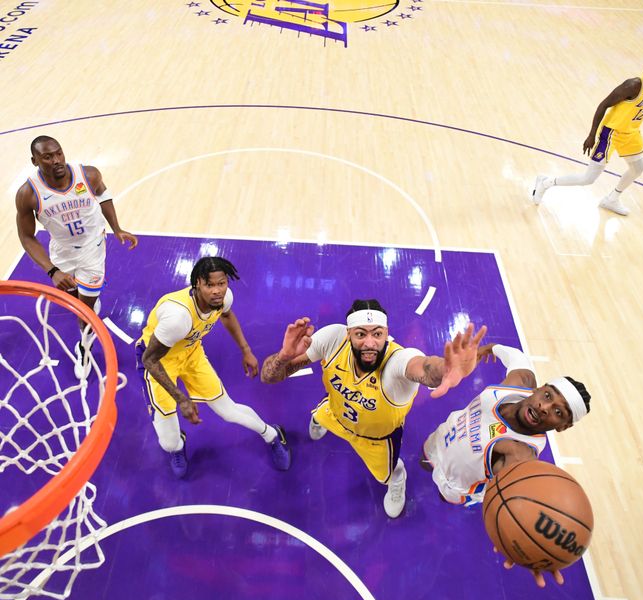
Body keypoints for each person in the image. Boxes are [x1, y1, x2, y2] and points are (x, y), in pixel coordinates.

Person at [260, 299, 487, 518]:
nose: (370, 343)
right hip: (336, 413)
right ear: (348, 334)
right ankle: (320, 420)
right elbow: (269, 377)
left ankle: (398, 481)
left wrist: (444, 368)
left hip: (375, 439)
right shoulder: (332, 338)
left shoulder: (396, 363)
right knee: (322, 411)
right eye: (360, 334)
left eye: (377, 334)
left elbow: (424, 367)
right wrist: (284, 356)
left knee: (387, 474)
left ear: (386, 334)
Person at [421, 343, 591, 587]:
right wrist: (489, 348)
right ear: (539, 388)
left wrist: (527, 544)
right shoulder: (519, 381)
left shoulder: (519, 457)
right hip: (444, 434)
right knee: (424, 457)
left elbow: (520, 505)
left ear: (563, 426)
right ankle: (427, 462)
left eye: (558, 412)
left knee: (441, 495)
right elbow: (516, 356)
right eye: (547, 396)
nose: (544, 407)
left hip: (456, 483)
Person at [136, 256, 291, 478]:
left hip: (191, 354)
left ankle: (273, 435)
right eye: (210, 285)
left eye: (222, 283)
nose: (217, 290)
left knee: (228, 410)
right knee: (168, 443)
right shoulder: (178, 317)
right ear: (198, 283)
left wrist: (245, 350)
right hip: (159, 361)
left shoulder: (223, 298)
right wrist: (182, 398)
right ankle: (178, 447)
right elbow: (149, 360)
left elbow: (226, 315)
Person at [15, 136, 138, 376]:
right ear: (35, 160)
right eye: (48, 157)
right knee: (72, 299)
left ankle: (83, 346)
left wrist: (117, 228)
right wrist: (52, 271)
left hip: (92, 249)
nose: (57, 160)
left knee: (85, 311)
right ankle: (84, 303)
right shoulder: (28, 194)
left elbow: (102, 192)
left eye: (59, 153)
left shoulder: (88, 175)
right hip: (61, 253)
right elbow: (27, 237)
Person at [532, 51, 643, 216]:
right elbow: (603, 105)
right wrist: (592, 135)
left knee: (638, 168)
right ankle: (546, 182)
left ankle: (612, 199)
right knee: (588, 179)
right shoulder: (634, 84)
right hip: (610, 133)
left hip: (631, 133)